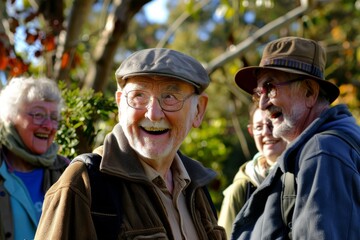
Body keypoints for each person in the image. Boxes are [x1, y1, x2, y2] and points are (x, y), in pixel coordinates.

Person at [35, 48, 227, 239]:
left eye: (169, 97)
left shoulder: (196, 187)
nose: (153, 114)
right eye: (139, 96)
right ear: (120, 104)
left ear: (199, 111)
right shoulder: (84, 184)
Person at [231, 36, 360, 239]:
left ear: (309, 92)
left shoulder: (322, 152)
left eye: (270, 88)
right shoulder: (321, 149)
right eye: (258, 93)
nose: (262, 105)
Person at [0, 76, 70, 240]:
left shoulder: (66, 171)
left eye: (54, 118)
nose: (48, 126)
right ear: (10, 116)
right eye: (38, 115)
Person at [218, 103, 286, 238]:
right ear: (251, 131)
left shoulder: (304, 174)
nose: (266, 132)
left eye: (272, 123)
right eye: (259, 127)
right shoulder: (241, 190)